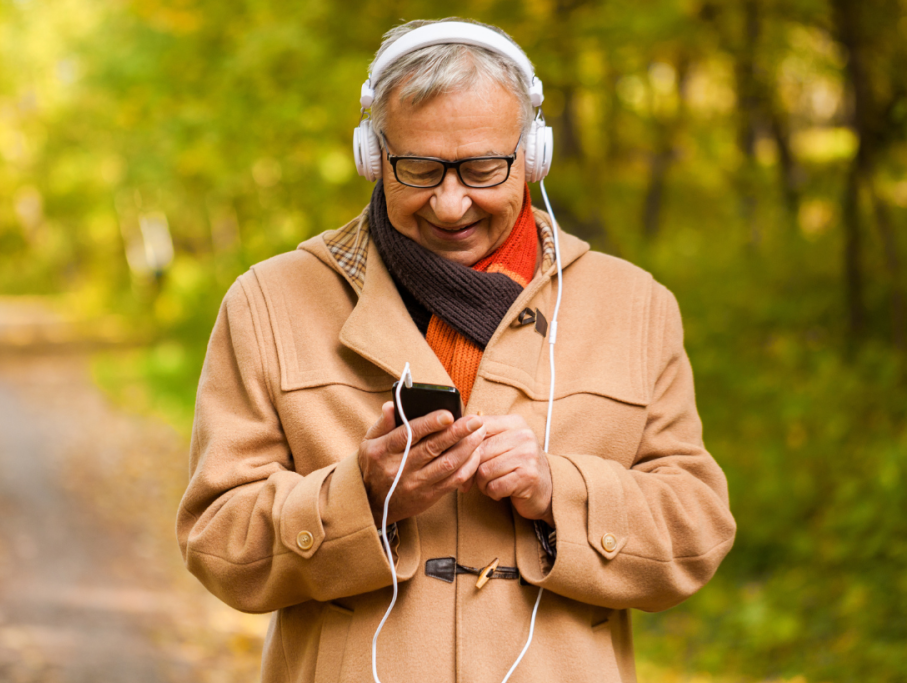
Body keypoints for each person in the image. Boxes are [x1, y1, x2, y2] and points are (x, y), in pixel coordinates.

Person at [177, 17, 736, 683]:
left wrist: (558, 488)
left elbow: (697, 530)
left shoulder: (635, 306)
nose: (449, 203)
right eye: (418, 168)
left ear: (532, 157)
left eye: (481, 168)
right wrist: (361, 495)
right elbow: (217, 538)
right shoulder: (268, 302)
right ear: (372, 155)